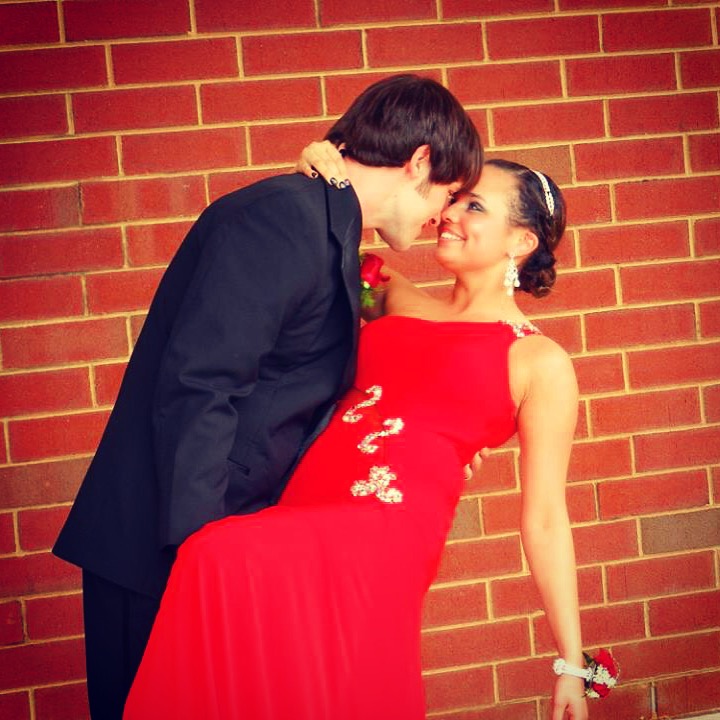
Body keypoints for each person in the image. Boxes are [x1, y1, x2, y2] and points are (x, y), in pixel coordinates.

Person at [52, 74, 483, 720]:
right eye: (448, 194)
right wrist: (203, 553)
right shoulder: (282, 220)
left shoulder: (326, 232)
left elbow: (304, 388)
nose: (443, 216)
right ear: (419, 161)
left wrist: (435, 444)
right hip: (160, 551)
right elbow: (201, 385)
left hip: (220, 552)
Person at [122, 147, 589, 719]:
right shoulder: (390, 294)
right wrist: (326, 163)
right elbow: (326, 234)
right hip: (302, 500)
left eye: (474, 206)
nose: (448, 214)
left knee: (215, 554)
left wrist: (571, 662)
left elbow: (546, 518)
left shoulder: (540, 363)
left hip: (383, 531)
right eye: (452, 200)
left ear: (521, 241)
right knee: (285, 679)